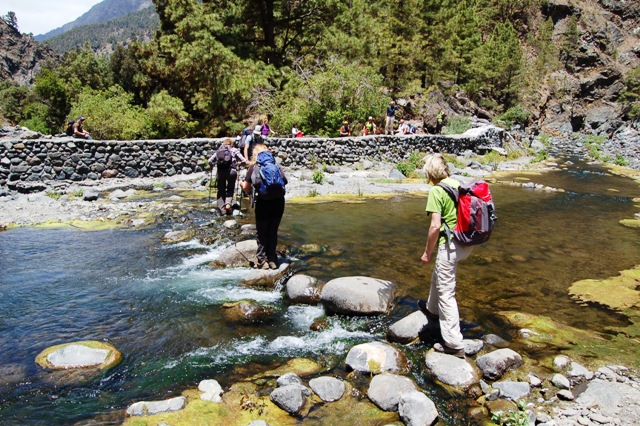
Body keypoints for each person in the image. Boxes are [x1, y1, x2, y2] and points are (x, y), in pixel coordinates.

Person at [419, 153, 472, 359]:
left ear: (431, 172)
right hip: (465, 244)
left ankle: (453, 344)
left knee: (447, 294)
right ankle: (432, 310)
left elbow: (435, 227)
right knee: (439, 277)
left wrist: (427, 252)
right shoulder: (457, 184)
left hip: (449, 246)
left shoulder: (436, 191)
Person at [240, 144, 287, 270]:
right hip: (279, 202)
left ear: (255, 154)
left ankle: (262, 261)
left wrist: (241, 184)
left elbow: (246, 188)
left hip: (263, 202)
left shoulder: (253, 167)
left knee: (262, 232)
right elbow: (285, 181)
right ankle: (272, 260)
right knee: (273, 231)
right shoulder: (276, 165)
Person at [208, 138, 247, 215]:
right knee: (230, 189)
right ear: (231, 144)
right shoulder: (234, 150)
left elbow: (210, 160)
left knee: (221, 190)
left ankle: (222, 210)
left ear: (224, 143)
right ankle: (228, 204)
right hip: (232, 172)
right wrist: (238, 164)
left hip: (221, 172)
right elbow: (244, 161)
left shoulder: (219, 150)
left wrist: (212, 165)